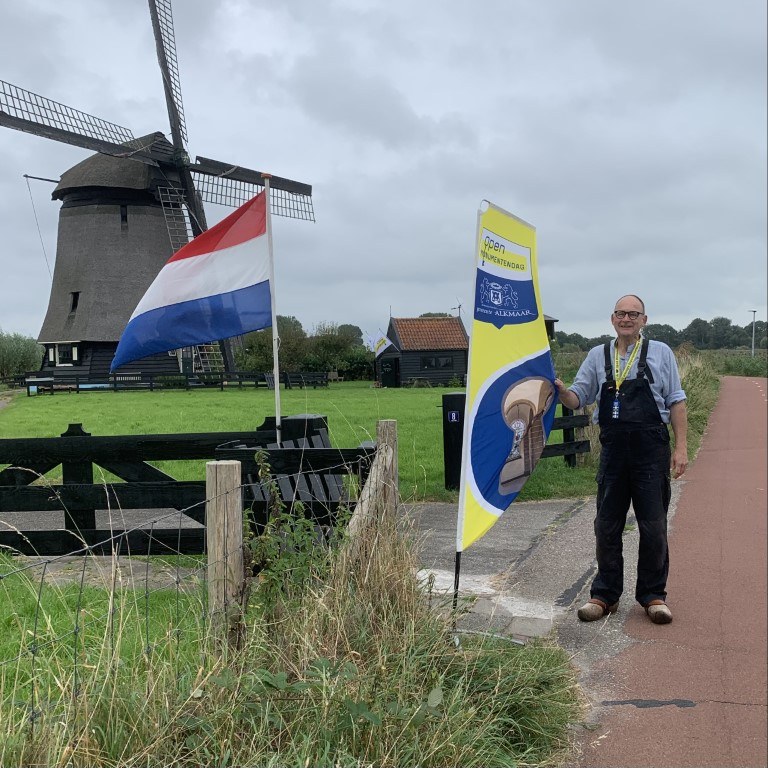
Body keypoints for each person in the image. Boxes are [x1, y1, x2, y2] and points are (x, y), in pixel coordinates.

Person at [555, 295, 688, 624]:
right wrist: (559, 389)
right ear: (612, 318)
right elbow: (577, 399)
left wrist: (681, 447)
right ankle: (604, 596)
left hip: (651, 448)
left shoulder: (660, 353)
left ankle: (653, 596)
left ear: (644, 320)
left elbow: (676, 401)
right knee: (607, 526)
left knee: (653, 527)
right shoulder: (597, 356)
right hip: (613, 451)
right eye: (620, 313)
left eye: (633, 314)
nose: (626, 318)